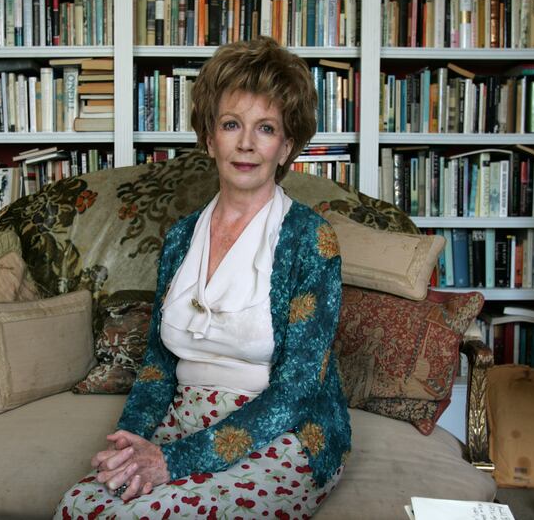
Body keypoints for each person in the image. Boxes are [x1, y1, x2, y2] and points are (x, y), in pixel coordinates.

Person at [54, 37, 351, 519]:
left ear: (287, 146)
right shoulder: (180, 238)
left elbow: (296, 391)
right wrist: (134, 440)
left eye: (266, 128)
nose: (247, 144)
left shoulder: (311, 241)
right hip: (185, 418)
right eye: (232, 124)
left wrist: (171, 460)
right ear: (210, 138)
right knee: (79, 506)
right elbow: (157, 364)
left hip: (280, 430)